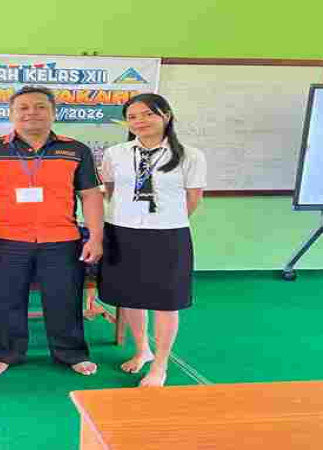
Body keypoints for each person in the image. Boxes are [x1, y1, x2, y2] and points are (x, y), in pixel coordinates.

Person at [0, 86, 104, 377]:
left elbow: (90, 196)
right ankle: (5, 353)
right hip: (6, 239)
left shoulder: (76, 150)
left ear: (53, 113)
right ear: (11, 114)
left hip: (62, 239)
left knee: (64, 299)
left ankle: (71, 353)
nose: (32, 113)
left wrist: (96, 238)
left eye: (40, 107)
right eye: (23, 108)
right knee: (5, 300)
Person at [98, 93, 207, 387]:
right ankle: (142, 349)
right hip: (122, 231)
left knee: (166, 301)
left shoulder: (190, 156)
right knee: (131, 296)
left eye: (148, 114)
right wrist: (133, 215)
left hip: (168, 234)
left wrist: (163, 220)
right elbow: (110, 190)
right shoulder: (116, 153)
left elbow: (193, 198)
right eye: (132, 117)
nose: (140, 121)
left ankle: (160, 365)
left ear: (166, 116)